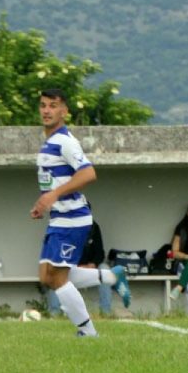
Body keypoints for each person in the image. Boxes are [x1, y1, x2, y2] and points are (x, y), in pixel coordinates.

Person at [31, 88, 131, 337]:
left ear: (64, 111)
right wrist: (44, 202)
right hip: (59, 217)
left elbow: (88, 173)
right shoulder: (48, 144)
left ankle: (87, 331)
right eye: (43, 105)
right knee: (46, 275)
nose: (47, 110)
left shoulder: (65, 141)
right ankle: (110, 277)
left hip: (73, 219)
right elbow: (52, 184)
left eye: (53, 106)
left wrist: (54, 195)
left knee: (58, 278)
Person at [46, 219, 113, 316]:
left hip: (90, 268)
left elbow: (100, 253)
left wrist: (92, 264)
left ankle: (106, 312)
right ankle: (54, 312)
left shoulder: (93, 227)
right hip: (68, 268)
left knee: (105, 269)